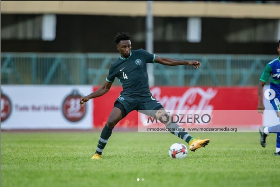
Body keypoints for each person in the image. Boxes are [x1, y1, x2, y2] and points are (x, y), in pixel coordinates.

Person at [80, 32, 210, 159]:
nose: (127, 49)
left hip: (145, 98)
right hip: (127, 98)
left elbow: (163, 60)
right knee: (111, 122)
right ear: (117, 48)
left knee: (166, 118)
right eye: (124, 47)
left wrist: (186, 62)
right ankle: (98, 153)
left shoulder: (140, 54)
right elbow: (104, 88)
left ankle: (192, 141)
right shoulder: (115, 66)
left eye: (129, 46)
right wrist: (89, 96)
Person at [257, 40, 280, 156]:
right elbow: (261, 84)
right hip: (275, 95)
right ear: (278, 49)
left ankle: (265, 131)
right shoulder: (272, 65)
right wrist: (261, 103)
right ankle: (278, 151)